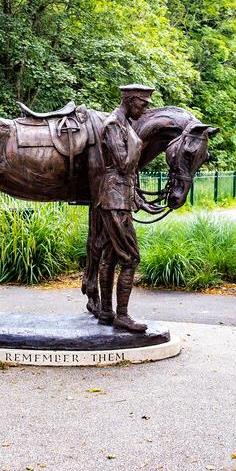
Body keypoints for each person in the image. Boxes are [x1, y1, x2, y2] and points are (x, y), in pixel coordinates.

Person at [95, 84, 154, 332]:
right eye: (142, 104)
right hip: (114, 201)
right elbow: (124, 163)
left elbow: (126, 174)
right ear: (130, 100)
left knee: (109, 256)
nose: (145, 109)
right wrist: (139, 144)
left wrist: (137, 198)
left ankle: (107, 312)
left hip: (119, 198)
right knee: (131, 258)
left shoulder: (124, 125)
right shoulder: (113, 125)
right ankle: (122, 315)